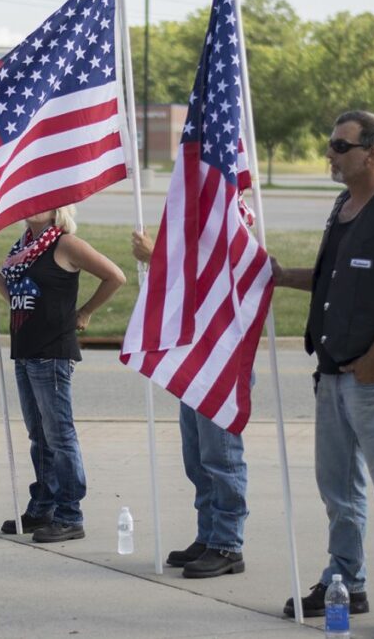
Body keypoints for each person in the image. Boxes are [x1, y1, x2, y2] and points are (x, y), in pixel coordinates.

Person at [272, 110, 374, 639]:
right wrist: (281, 277)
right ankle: (346, 580)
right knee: (338, 489)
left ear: (373, 152)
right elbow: (332, 279)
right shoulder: (343, 206)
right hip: (333, 374)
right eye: (330, 145)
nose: (330, 153)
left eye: (340, 146)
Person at [0, 205, 125, 543]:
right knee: (38, 436)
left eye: (43, 201)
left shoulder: (65, 244)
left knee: (60, 436)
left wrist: (86, 311)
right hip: (25, 350)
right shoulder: (22, 248)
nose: (33, 207)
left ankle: (70, 514)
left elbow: (115, 276)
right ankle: (43, 505)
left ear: (58, 210)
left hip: (52, 354)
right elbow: (19, 299)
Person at [130, 229, 248, 579]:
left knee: (222, 458)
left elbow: (212, 285)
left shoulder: (233, 225)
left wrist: (157, 259)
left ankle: (228, 544)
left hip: (223, 359)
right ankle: (209, 535)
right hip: (197, 357)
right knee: (197, 459)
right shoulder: (204, 229)